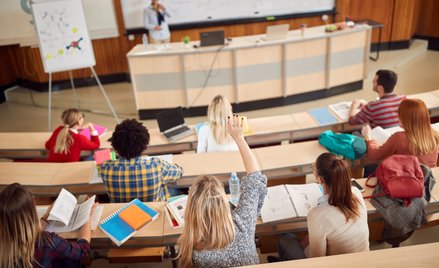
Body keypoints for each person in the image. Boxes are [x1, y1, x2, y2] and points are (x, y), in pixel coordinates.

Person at [177, 114, 267, 268]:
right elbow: (254, 178)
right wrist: (239, 138)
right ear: (223, 203)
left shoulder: (191, 248)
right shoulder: (243, 224)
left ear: (192, 210)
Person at [273, 153, 369, 261]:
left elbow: (317, 259)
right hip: (363, 260)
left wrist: (307, 246)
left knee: (285, 238)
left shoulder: (317, 215)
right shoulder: (356, 193)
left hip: (337, 264)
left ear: (320, 180)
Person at [0, 183, 96, 268]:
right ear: (31, 213)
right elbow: (82, 251)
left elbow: (23, 232)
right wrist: (86, 218)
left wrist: (46, 217)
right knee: (69, 260)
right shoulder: (47, 242)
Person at [99, 119, 183, 202]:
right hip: (154, 212)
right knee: (173, 189)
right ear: (144, 144)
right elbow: (179, 172)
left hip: (121, 213)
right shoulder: (157, 165)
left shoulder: (104, 168)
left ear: (114, 145)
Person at [362, 99, 439, 168]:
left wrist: (368, 138)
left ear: (405, 118)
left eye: (399, 114)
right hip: (429, 181)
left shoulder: (399, 138)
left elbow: (374, 155)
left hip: (406, 181)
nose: (397, 117)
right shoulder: (435, 135)